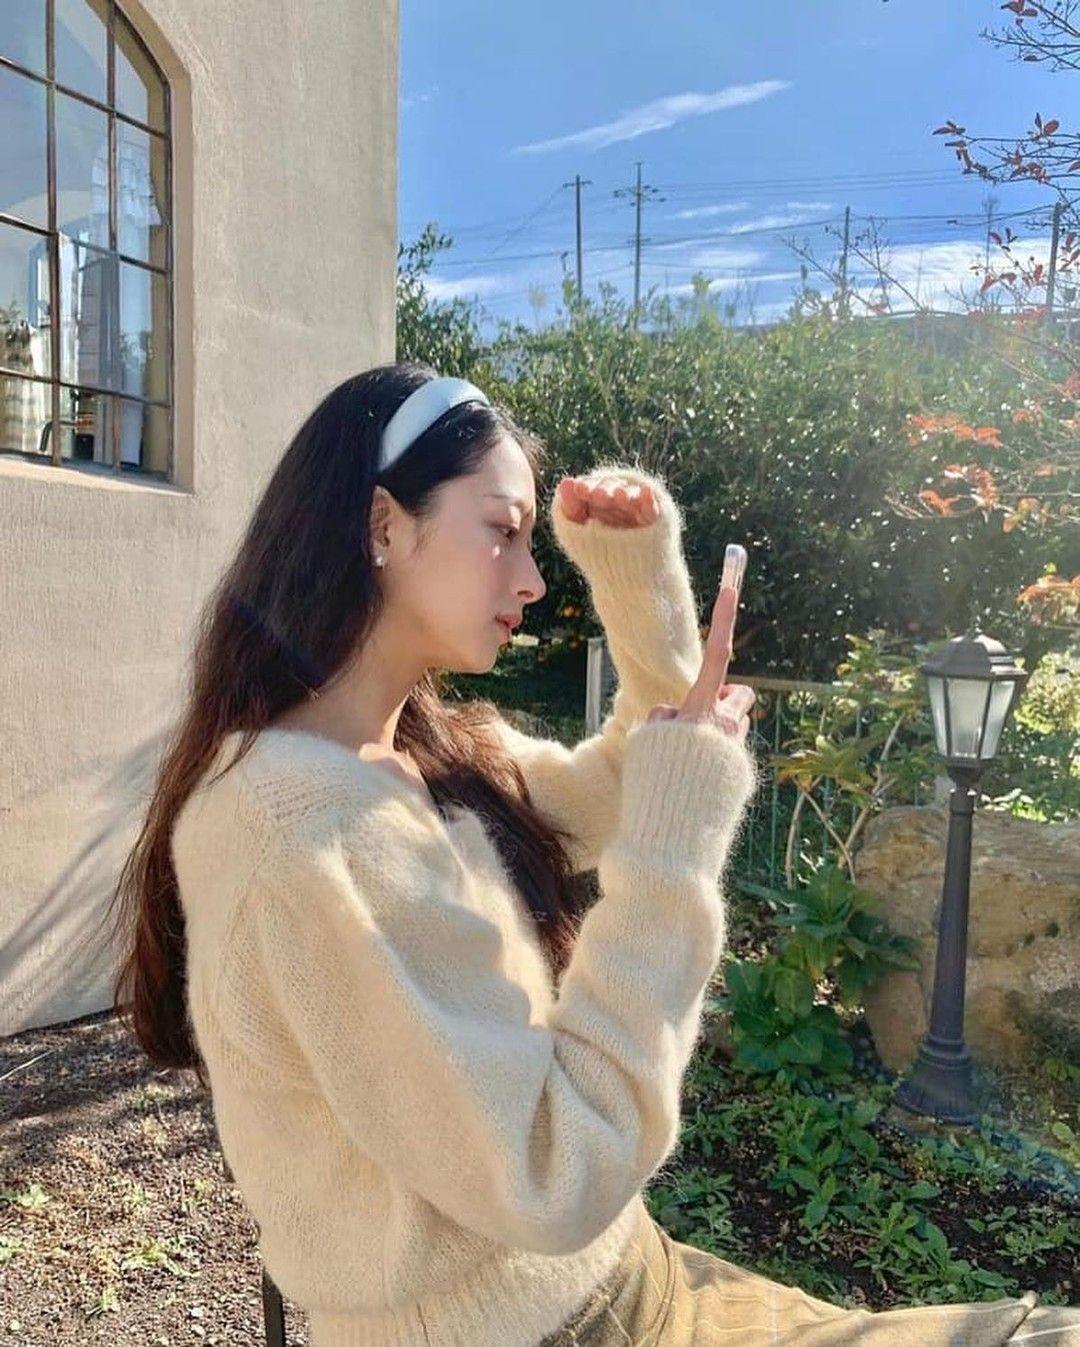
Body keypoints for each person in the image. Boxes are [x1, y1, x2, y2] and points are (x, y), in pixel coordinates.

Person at [104, 363, 1079, 1346]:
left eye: (532, 539)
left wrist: (635, 579)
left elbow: (624, 782)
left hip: (629, 1274)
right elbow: (551, 1171)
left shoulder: (419, 754)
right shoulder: (300, 830)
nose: (532, 578)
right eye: (502, 530)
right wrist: (677, 842)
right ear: (383, 524)